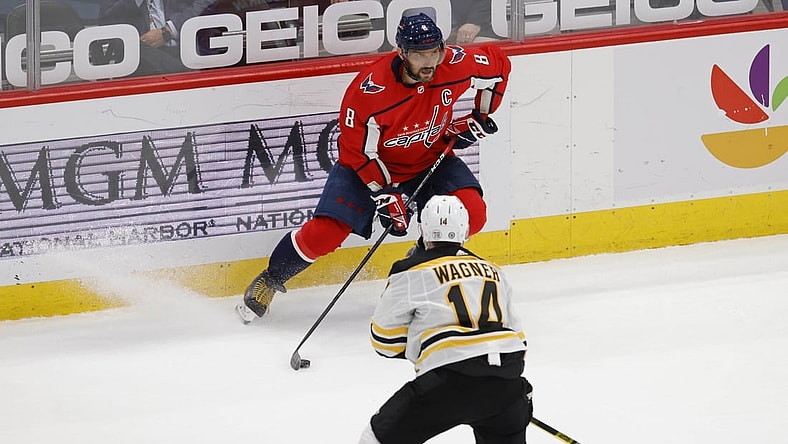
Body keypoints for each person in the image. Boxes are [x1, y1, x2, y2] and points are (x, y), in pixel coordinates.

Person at [236, 12, 511, 324]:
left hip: (428, 160)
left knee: (472, 214)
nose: (429, 62)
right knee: (324, 235)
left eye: (434, 52)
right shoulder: (370, 92)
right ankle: (270, 279)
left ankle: (418, 260)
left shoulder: (453, 63)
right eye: (419, 54)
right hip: (367, 169)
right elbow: (357, 153)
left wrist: (480, 115)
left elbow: (499, 64)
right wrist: (385, 193)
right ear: (401, 52)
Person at [359, 195, 533, 444]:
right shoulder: (495, 271)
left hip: (447, 382)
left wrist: (423, 344)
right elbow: (519, 339)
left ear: (423, 230)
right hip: (507, 386)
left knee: (375, 439)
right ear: (465, 232)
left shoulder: (410, 271)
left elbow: (384, 342)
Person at [98, 0, 211, 76]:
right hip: (142, 59)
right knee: (129, 47)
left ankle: (185, 75)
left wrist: (170, 30)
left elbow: (207, 3)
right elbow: (106, 21)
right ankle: (186, 75)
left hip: (184, 49)